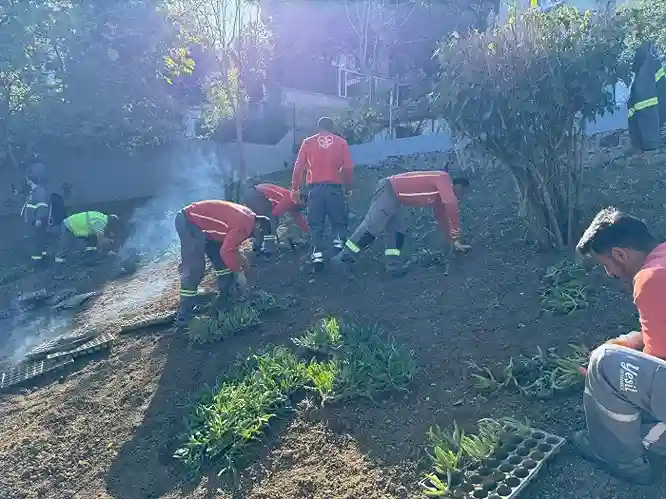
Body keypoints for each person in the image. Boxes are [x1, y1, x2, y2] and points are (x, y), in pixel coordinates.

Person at [574, 207, 666, 485]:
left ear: (620, 254)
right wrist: (634, 340)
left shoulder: (651, 278)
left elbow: (658, 364)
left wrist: (608, 373)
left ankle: (622, 459)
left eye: (606, 264)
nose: (609, 272)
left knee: (605, 362)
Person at [331, 171, 471, 276]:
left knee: (397, 233)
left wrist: (453, 241)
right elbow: (451, 204)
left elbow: (443, 219)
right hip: (389, 189)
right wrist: (457, 232)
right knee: (372, 227)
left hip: (396, 199)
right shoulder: (443, 178)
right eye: (462, 193)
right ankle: (344, 257)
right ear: (458, 186)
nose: (461, 197)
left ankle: (393, 266)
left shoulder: (440, 197)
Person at [174, 200, 271, 330]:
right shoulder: (244, 226)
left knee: (221, 261)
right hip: (189, 221)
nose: (255, 238)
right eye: (260, 235)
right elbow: (227, 251)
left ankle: (226, 296)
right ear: (259, 227)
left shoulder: (249, 217)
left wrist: (240, 258)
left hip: (207, 227)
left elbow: (230, 245)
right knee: (195, 268)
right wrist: (239, 273)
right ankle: (184, 315)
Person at [291, 116, 353, 271]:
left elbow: (298, 168)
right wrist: (347, 188)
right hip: (334, 189)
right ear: (331, 129)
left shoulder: (308, 142)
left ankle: (317, 257)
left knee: (316, 225)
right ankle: (339, 248)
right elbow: (348, 168)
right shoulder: (341, 143)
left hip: (315, 191)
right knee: (339, 221)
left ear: (318, 128)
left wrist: (295, 188)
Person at [243, 182, 309, 254]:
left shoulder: (294, 203)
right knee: (271, 221)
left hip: (255, 195)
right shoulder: (289, 199)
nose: (304, 207)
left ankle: (258, 246)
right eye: (305, 204)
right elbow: (274, 213)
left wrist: (311, 233)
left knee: (265, 222)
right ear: (301, 199)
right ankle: (268, 248)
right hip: (255, 194)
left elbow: (300, 221)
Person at [54, 211, 120, 270]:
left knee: (93, 239)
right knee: (64, 250)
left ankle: (88, 261)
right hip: (68, 226)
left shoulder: (102, 217)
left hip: (76, 226)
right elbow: (101, 241)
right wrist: (107, 247)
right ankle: (57, 273)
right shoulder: (100, 223)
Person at [21, 163, 50, 265]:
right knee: (38, 240)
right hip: (33, 221)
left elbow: (42, 206)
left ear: (30, 180)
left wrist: (39, 219)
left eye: (27, 180)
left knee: (36, 241)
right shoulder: (33, 192)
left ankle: (38, 262)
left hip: (37, 221)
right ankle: (43, 259)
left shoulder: (39, 191)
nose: (26, 182)